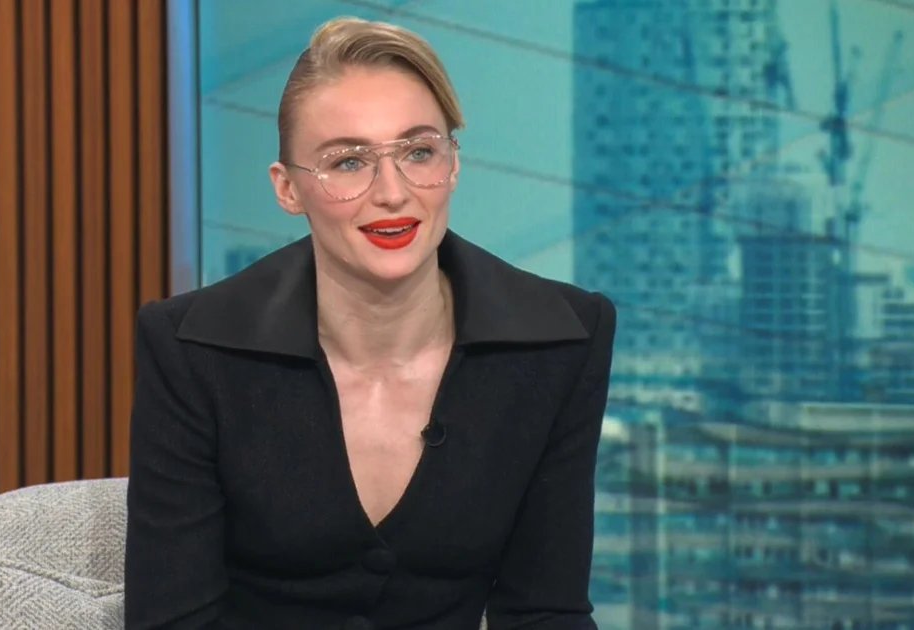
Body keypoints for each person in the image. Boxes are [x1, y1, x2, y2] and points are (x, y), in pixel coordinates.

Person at [125, 16, 615, 630]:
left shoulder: (561, 338)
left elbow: (545, 612)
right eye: (349, 162)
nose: (392, 193)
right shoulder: (192, 348)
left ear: (453, 165)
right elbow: (171, 621)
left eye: (418, 152)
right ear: (288, 189)